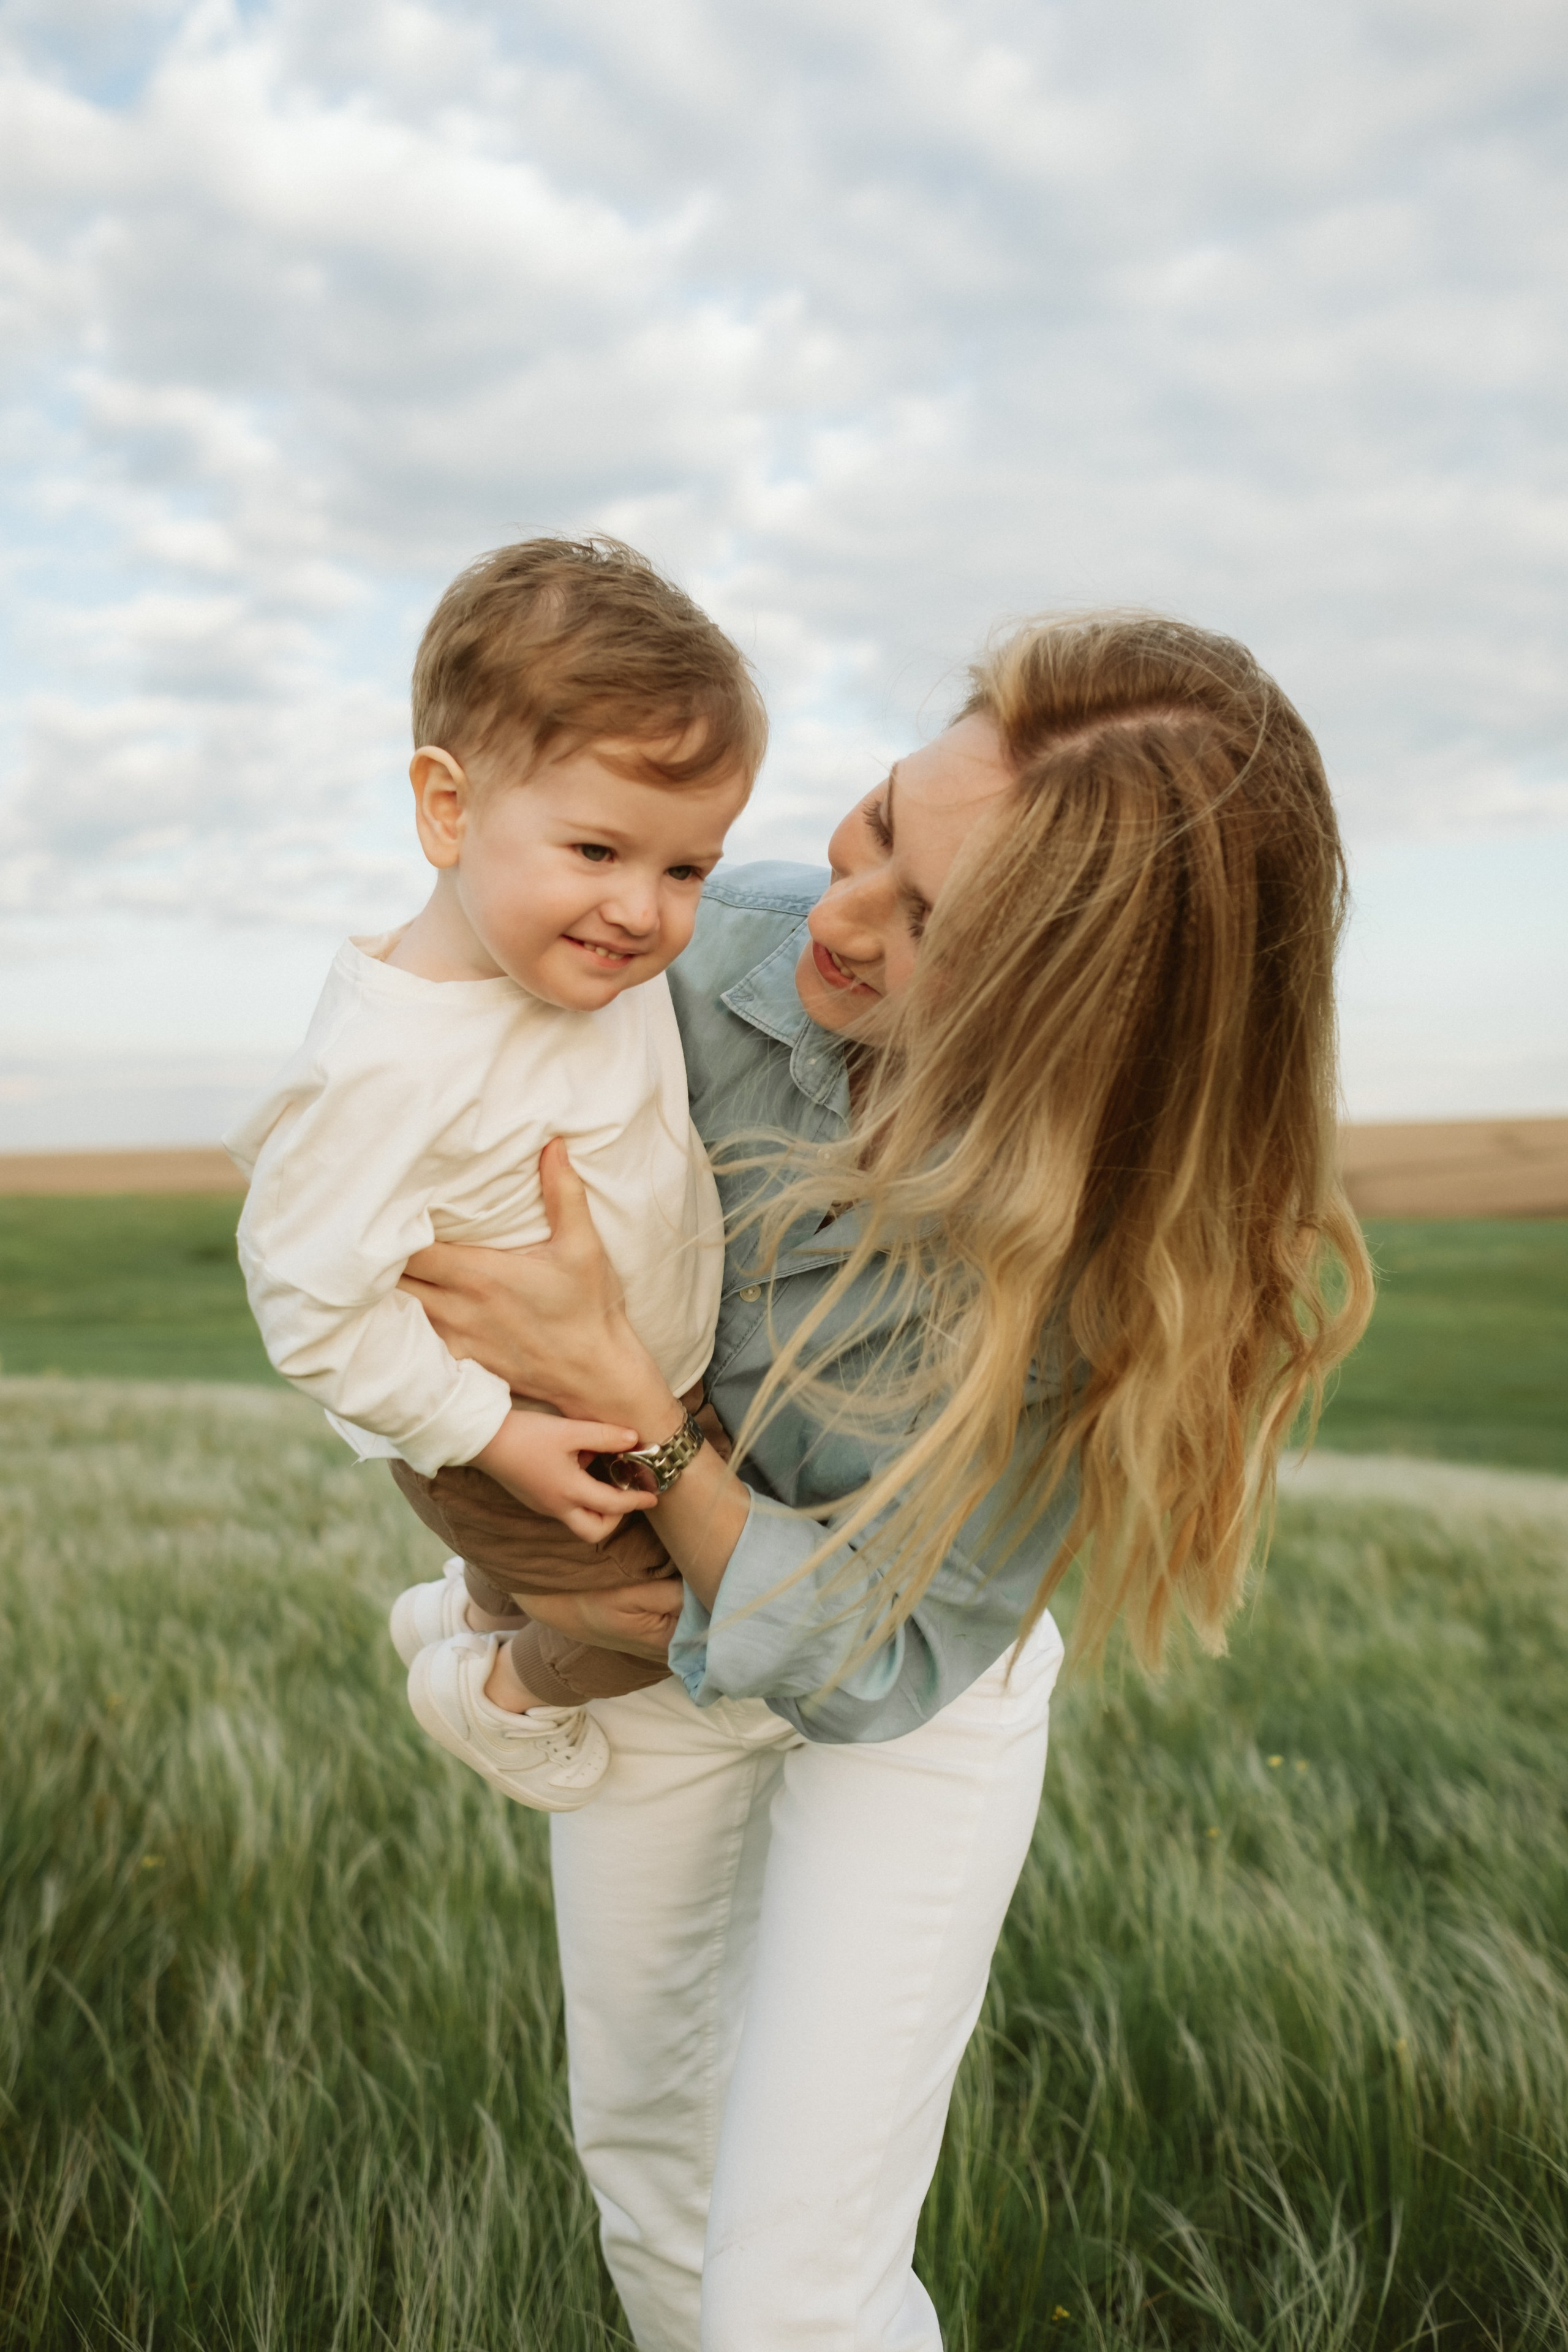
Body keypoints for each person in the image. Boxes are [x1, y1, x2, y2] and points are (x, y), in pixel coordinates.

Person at [400, 610, 1375, 2350]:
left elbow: (877, 1662)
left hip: (904, 1678)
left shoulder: (1113, 1245)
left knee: (794, 2287)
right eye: (873, 832)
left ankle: (483, 1682)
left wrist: (635, 1397)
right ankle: (485, 1668)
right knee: (648, 2169)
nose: (827, 919)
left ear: (1077, 1018)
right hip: (662, 1641)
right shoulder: (717, 954)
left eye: (935, 927)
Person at [225, 538, 764, 1811]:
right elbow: (307, 1304)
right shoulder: (392, 1062)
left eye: (685, 869)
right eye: (596, 852)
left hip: (631, 1388)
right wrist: (494, 1437)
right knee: (653, 1622)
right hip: (515, 1436)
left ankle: (461, 1611)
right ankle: (499, 1691)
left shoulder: (583, 965)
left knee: (678, 1561)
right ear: (447, 809)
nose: (642, 911)